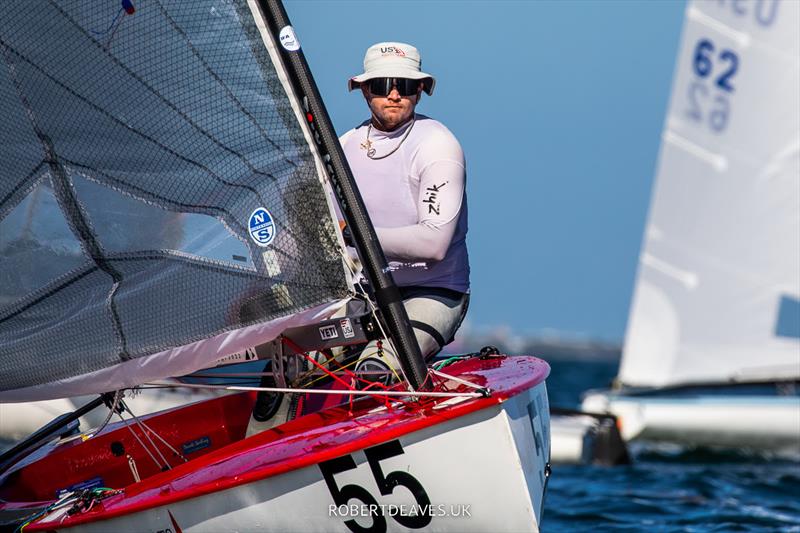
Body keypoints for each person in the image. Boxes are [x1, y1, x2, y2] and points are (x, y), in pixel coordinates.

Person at [339, 42, 470, 381]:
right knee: (284, 374)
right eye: (383, 85)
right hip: (365, 292)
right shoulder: (343, 147)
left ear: (421, 90)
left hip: (433, 291)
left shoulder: (437, 145)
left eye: (406, 85)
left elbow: (433, 245)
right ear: (365, 89)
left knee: (376, 370)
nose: (394, 94)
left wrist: (352, 235)